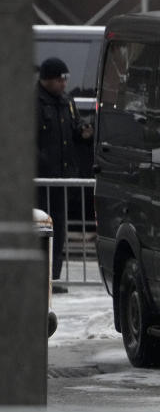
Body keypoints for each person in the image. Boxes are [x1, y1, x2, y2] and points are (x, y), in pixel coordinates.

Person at [36, 57, 92, 293]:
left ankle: (53, 277)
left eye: (65, 79)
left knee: (58, 228)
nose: (64, 84)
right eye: (60, 79)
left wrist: (84, 132)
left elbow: (75, 129)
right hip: (42, 180)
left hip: (62, 178)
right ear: (48, 79)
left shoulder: (66, 102)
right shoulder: (34, 103)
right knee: (41, 228)